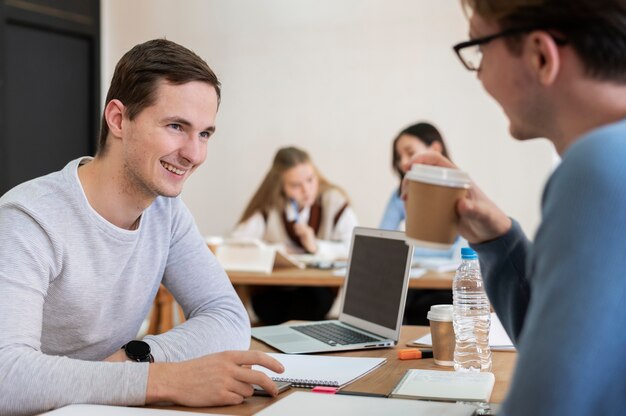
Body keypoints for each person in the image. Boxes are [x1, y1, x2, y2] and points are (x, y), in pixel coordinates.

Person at [0, 39, 283, 415]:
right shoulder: (27, 219)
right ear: (118, 119)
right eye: (176, 126)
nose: (194, 154)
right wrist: (166, 379)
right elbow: (7, 377)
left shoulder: (166, 213)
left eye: (204, 133)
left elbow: (227, 316)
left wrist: (137, 360)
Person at [407, 1, 626, 414]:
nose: (480, 75)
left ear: (541, 56)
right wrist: (497, 239)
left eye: (480, 50)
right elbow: (562, 354)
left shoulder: (598, 169)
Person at [233, 146, 358, 324]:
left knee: (308, 303)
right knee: (272, 307)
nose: (306, 190)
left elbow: (354, 247)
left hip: (316, 293)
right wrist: (278, 250)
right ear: (281, 186)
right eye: (295, 185)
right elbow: (237, 244)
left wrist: (315, 246)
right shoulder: (270, 206)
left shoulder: (333, 201)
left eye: (310, 180)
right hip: (272, 293)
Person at [380, 122, 463, 325]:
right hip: (412, 281)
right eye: (399, 157)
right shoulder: (402, 193)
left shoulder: (459, 189)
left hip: (446, 286)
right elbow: (384, 237)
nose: (403, 163)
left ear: (435, 149)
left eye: (409, 153)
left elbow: (467, 250)